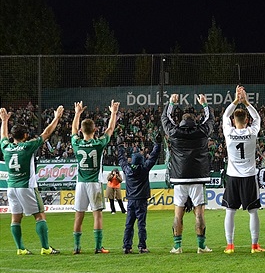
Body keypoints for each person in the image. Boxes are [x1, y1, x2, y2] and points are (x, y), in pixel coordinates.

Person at [0, 105, 64, 255]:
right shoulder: (28, 146)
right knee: (40, 215)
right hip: (26, 186)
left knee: (16, 218)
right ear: (25, 136)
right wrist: (57, 118)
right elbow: (46, 133)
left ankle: (20, 249)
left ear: (13, 136)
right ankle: (45, 248)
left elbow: (3, 137)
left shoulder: (6, 147)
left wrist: (4, 121)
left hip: (11, 187)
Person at [162, 93, 215, 254]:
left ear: (181, 121)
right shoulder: (202, 132)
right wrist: (205, 105)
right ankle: (201, 246)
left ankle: (177, 246)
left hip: (179, 177)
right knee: (199, 213)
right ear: (195, 121)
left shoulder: (174, 132)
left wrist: (171, 103)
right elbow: (210, 120)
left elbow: (165, 118)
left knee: (178, 213)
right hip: (198, 177)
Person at [71, 100, 119, 254]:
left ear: (81, 130)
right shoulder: (99, 143)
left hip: (80, 183)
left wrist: (77, 113)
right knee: (97, 215)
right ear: (95, 129)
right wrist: (113, 113)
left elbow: (72, 130)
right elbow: (111, 128)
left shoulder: (76, 142)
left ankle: (77, 247)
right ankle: (98, 247)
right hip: (94, 184)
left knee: (79, 216)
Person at [221, 85, 265, 254]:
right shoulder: (252, 132)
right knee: (253, 212)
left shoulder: (228, 132)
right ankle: (254, 246)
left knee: (230, 211)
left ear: (234, 121)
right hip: (249, 176)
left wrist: (235, 100)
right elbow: (257, 117)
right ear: (247, 121)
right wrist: (246, 102)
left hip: (233, 176)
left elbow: (225, 115)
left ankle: (230, 245)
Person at [118, 139, 161, 254]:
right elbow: (153, 157)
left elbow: (121, 160)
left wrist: (120, 148)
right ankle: (142, 246)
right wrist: (157, 145)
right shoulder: (144, 169)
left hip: (131, 200)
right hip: (141, 200)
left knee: (129, 224)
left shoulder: (127, 170)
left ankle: (127, 246)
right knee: (141, 224)